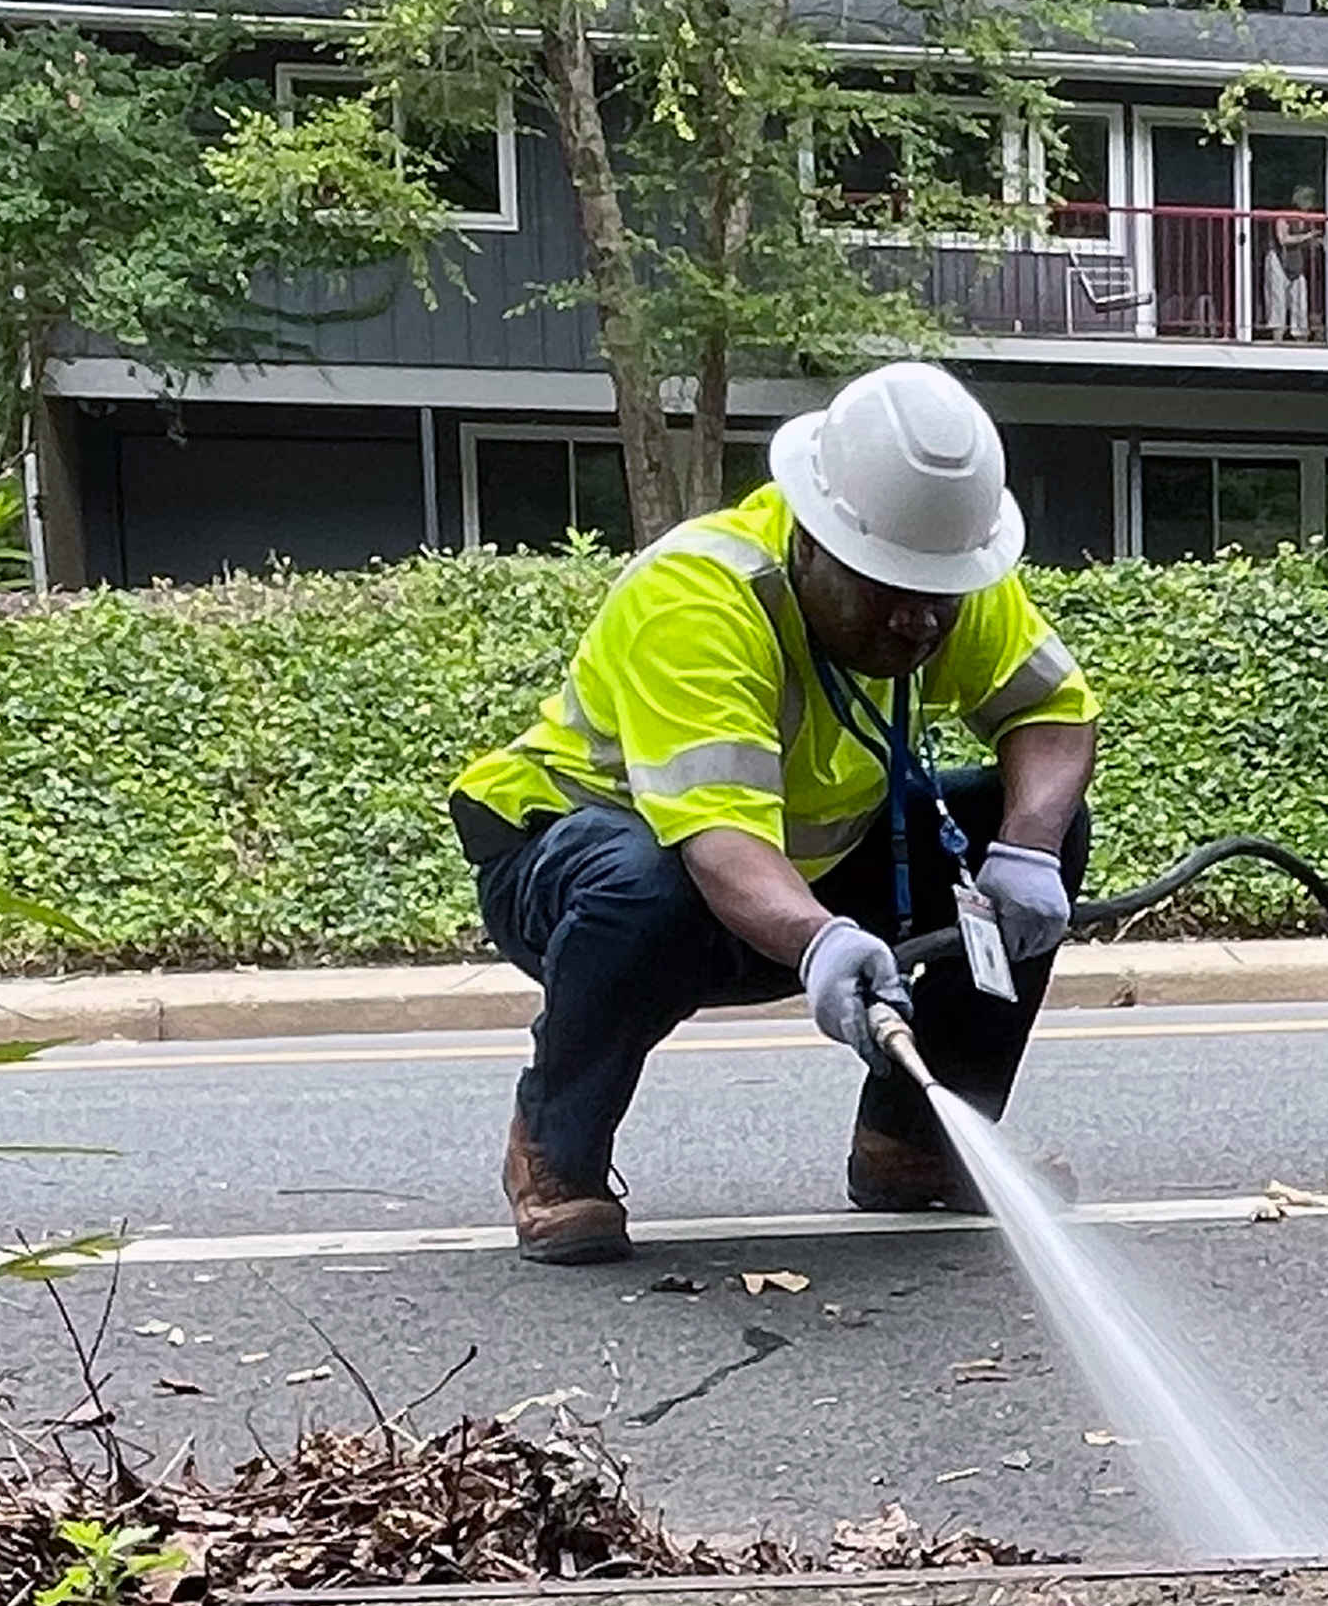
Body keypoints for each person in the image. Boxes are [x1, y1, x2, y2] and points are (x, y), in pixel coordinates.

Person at [447, 362, 1099, 1264]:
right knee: (643, 883)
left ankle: (916, 1142)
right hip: (591, 869)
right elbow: (716, 839)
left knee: (1036, 819)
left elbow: (1053, 713)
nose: (919, 622)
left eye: (939, 595)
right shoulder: (696, 597)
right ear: (812, 544)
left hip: (792, 868)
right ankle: (555, 1153)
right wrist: (818, 938)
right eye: (889, 589)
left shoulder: (945, 572)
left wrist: (1026, 849)